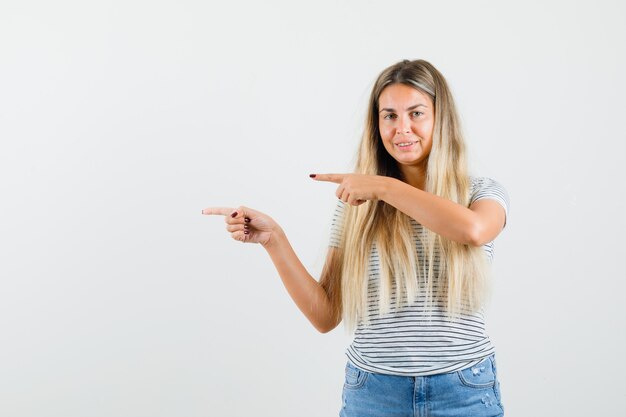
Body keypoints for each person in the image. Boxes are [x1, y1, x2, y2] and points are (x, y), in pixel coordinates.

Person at [203, 59, 509, 417]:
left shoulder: (481, 193)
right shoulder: (357, 205)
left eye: (416, 113)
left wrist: (382, 185)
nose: (402, 128)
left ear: (441, 118)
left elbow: (474, 230)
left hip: (464, 391)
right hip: (375, 394)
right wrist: (274, 239)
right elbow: (325, 315)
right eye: (389, 116)